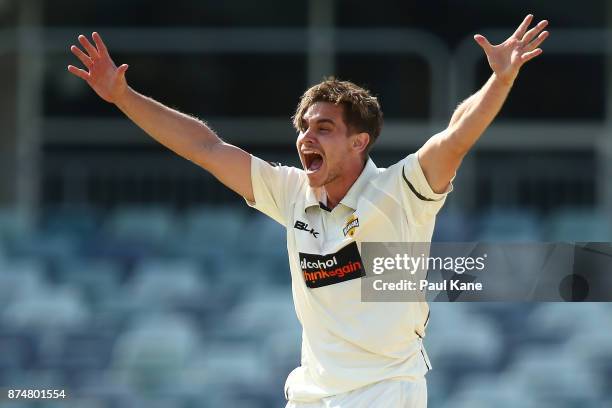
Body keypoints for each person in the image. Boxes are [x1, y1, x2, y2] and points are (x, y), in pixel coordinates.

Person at [68, 14, 549, 408]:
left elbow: (457, 134)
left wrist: (499, 78)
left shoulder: (400, 191)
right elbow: (205, 147)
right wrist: (123, 97)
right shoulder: (291, 191)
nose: (306, 138)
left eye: (323, 128)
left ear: (359, 142)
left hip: (384, 392)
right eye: (303, 128)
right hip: (312, 395)